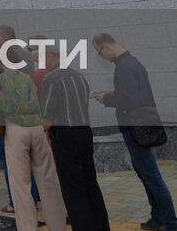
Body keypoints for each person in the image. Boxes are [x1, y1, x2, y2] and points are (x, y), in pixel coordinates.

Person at [92, 33, 177, 231]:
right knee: (146, 175)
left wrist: (106, 99)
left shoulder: (124, 67)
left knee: (153, 178)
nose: (101, 57)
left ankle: (171, 225)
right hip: (140, 126)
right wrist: (112, 93)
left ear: (106, 45)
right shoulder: (132, 63)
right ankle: (157, 218)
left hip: (135, 128)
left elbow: (130, 100)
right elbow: (133, 94)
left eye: (99, 52)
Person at [0, 45, 66, 231]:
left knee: (21, 184)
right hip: (36, 129)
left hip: (16, 131)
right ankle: (58, 225)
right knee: (48, 180)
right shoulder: (27, 78)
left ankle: (28, 227)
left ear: (0, 60)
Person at [41, 41, 109, 231]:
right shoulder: (79, 76)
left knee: (73, 190)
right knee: (90, 184)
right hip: (85, 133)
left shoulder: (51, 79)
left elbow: (47, 119)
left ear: (51, 55)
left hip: (65, 136)